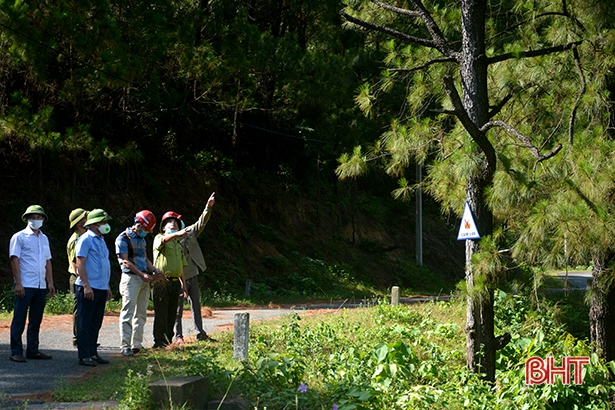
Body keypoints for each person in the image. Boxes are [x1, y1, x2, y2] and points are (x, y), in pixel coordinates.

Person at [9, 205, 56, 363]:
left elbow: (47, 262)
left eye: (38, 217)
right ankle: (16, 351)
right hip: (25, 284)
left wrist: (50, 282)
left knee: (36, 319)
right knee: (19, 318)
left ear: (43, 219)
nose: (35, 220)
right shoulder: (19, 237)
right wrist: (18, 283)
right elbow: (15, 260)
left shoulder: (44, 238)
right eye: (32, 217)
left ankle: (32, 350)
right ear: (26, 219)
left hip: (40, 285)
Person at [115, 210, 162, 357]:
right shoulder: (123, 238)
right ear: (140, 225)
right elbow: (125, 261)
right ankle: (125, 345)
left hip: (144, 279)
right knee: (128, 311)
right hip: (131, 279)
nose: (146, 233)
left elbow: (145, 259)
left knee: (141, 313)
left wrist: (154, 269)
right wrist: (141, 274)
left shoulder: (142, 240)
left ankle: (137, 344)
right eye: (146, 230)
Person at [174, 192, 217, 343]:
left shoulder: (190, 233)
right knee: (177, 309)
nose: (178, 223)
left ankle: (200, 333)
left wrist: (208, 207)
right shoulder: (169, 239)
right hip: (177, 276)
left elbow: (201, 222)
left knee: (196, 305)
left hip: (192, 273)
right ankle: (178, 336)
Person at [75, 209, 113, 366]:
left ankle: (93, 353)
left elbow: (104, 265)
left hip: (101, 287)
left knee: (96, 322)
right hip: (88, 287)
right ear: (96, 224)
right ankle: (84, 356)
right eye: (104, 222)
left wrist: (107, 286)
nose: (106, 225)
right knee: (85, 322)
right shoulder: (85, 239)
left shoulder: (101, 239)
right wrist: (86, 285)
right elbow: (80, 263)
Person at [152, 212, 188, 348]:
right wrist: (177, 234)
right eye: (169, 222)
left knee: (172, 313)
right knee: (161, 312)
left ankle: (167, 341)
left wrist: (183, 285)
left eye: (175, 222)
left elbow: (182, 266)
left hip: (175, 282)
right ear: (163, 228)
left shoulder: (178, 245)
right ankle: (159, 341)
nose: (173, 223)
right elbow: (163, 241)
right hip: (162, 281)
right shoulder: (159, 238)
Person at [67, 208, 89, 347]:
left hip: (84, 277)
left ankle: (83, 337)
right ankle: (78, 338)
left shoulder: (84, 237)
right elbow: (76, 263)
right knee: (80, 309)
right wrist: (84, 281)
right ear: (79, 223)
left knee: (86, 309)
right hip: (78, 277)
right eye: (85, 219)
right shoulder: (76, 239)